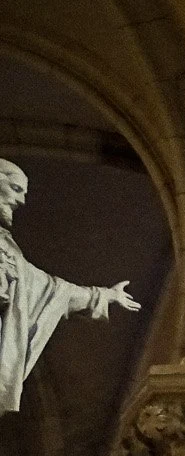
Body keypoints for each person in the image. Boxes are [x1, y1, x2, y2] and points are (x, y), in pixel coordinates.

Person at [0, 158, 141, 414]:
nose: (21, 201)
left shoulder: (8, 250)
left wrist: (104, 295)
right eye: (16, 189)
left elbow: (49, 289)